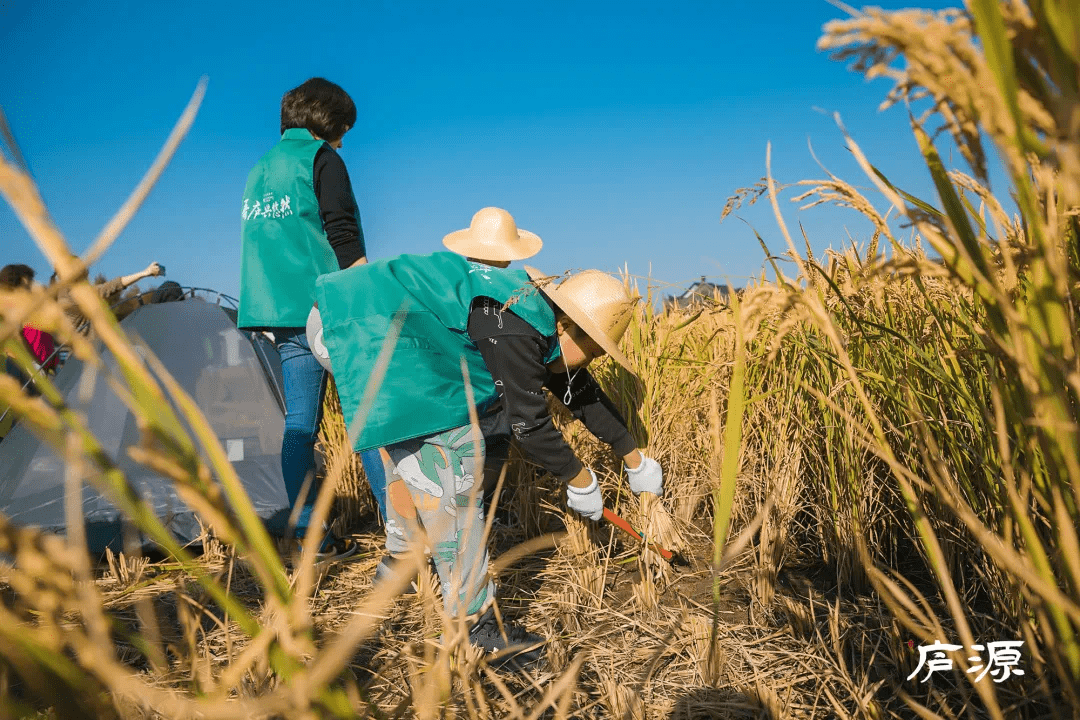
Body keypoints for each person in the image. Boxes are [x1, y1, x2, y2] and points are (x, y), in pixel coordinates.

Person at [307, 250, 666, 669]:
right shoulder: (516, 327)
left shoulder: (530, 312)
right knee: (454, 453)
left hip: (353, 315)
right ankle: (473, 624)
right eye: (595, 352)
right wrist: (579, 477)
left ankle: (398, 566)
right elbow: (527, 422)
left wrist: (635, 457)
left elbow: (578, 391)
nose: (594, 361)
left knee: (417, 447)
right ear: (571, 329)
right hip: (355, 325)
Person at [237, 77, 384, 558]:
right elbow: (341, 232)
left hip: (278, 313)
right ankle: (404, 535)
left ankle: (309, 537)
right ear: (326, 122)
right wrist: (370, 297)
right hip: (327, 310)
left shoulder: (258, 170)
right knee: (370, 419)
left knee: (299, 425)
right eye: (343, 127)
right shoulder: (321, 159)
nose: (344, 139)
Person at [1, 264, 59, 441]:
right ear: (20, 280)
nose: (32, 284)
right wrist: (32, 365)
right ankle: (12, 458)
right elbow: (16, 335)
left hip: (32, 364)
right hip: (21, 365)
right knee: (23, 417)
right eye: (29, 280)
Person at [51, 261, 166, 333]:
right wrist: (144, 273)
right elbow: (111, 287)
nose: (87, 275)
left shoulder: (60, 293)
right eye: (84, 272)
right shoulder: (74, 294)